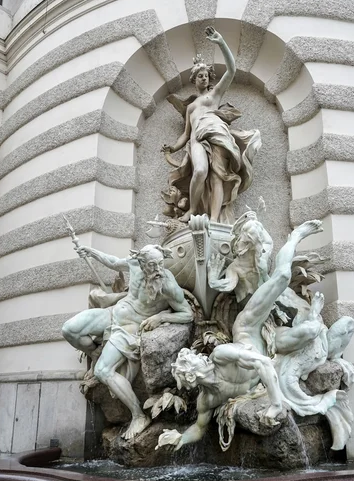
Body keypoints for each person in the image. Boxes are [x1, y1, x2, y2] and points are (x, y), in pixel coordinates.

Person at [157, 220, 323, 451]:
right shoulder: (207, 400)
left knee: (283, 275)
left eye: (191, 360)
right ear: (191, 378)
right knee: (311, 331)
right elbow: (199, 427)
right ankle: (313, 315)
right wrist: (180, 438)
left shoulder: (220, 355)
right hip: (271, 347)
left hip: (248, 327)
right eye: (190, 365)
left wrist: (276, 404)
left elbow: (262, 363)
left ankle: (295, 236)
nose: (198, 358)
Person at [62, 244, 193, 440]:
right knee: (69, 330)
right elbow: (114, 262)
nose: (158, 270)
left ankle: (138, 415)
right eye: (152, 265)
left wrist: (161, 318)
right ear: (141, 262)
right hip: (114, 313)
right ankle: (95, 352)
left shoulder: (167, 285)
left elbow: (187, 314)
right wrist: (91, 251)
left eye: (160, 264)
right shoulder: (134, 264)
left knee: (103, 371)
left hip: (130, 329)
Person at [162, 27, 261, 224]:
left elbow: (231, 70)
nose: (204, 78)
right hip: (197, 138)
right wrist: (173, 148)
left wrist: (221, 42)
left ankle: (215, 219)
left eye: (206, 75)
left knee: (218, 177)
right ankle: (191, 209)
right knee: (200, 171)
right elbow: (186, 134)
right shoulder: (190, 107)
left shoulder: (214, 95)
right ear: (194, 79)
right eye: (200, 75)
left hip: (218, 134)